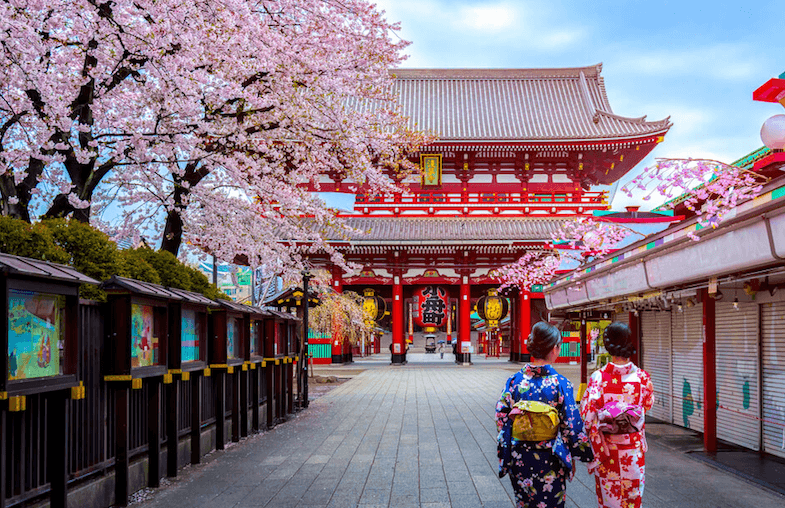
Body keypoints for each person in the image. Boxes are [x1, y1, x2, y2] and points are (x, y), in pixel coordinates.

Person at [496, 321, 593, 507]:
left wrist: (515, 436)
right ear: (555, 348)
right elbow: (571, 424)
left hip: (520, 455)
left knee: (525, 503)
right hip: (551, 456)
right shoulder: (560, 384)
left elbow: (501, 416)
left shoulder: (514, 381)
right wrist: (584, 454)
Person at [580, 322, 654, 508]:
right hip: (633, 449)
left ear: (608, 345)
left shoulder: (599, 377)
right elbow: (647, 405)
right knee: (632, 499)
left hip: (607, 449)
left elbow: (587, 415)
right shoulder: (642, 377)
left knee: (609, 499)